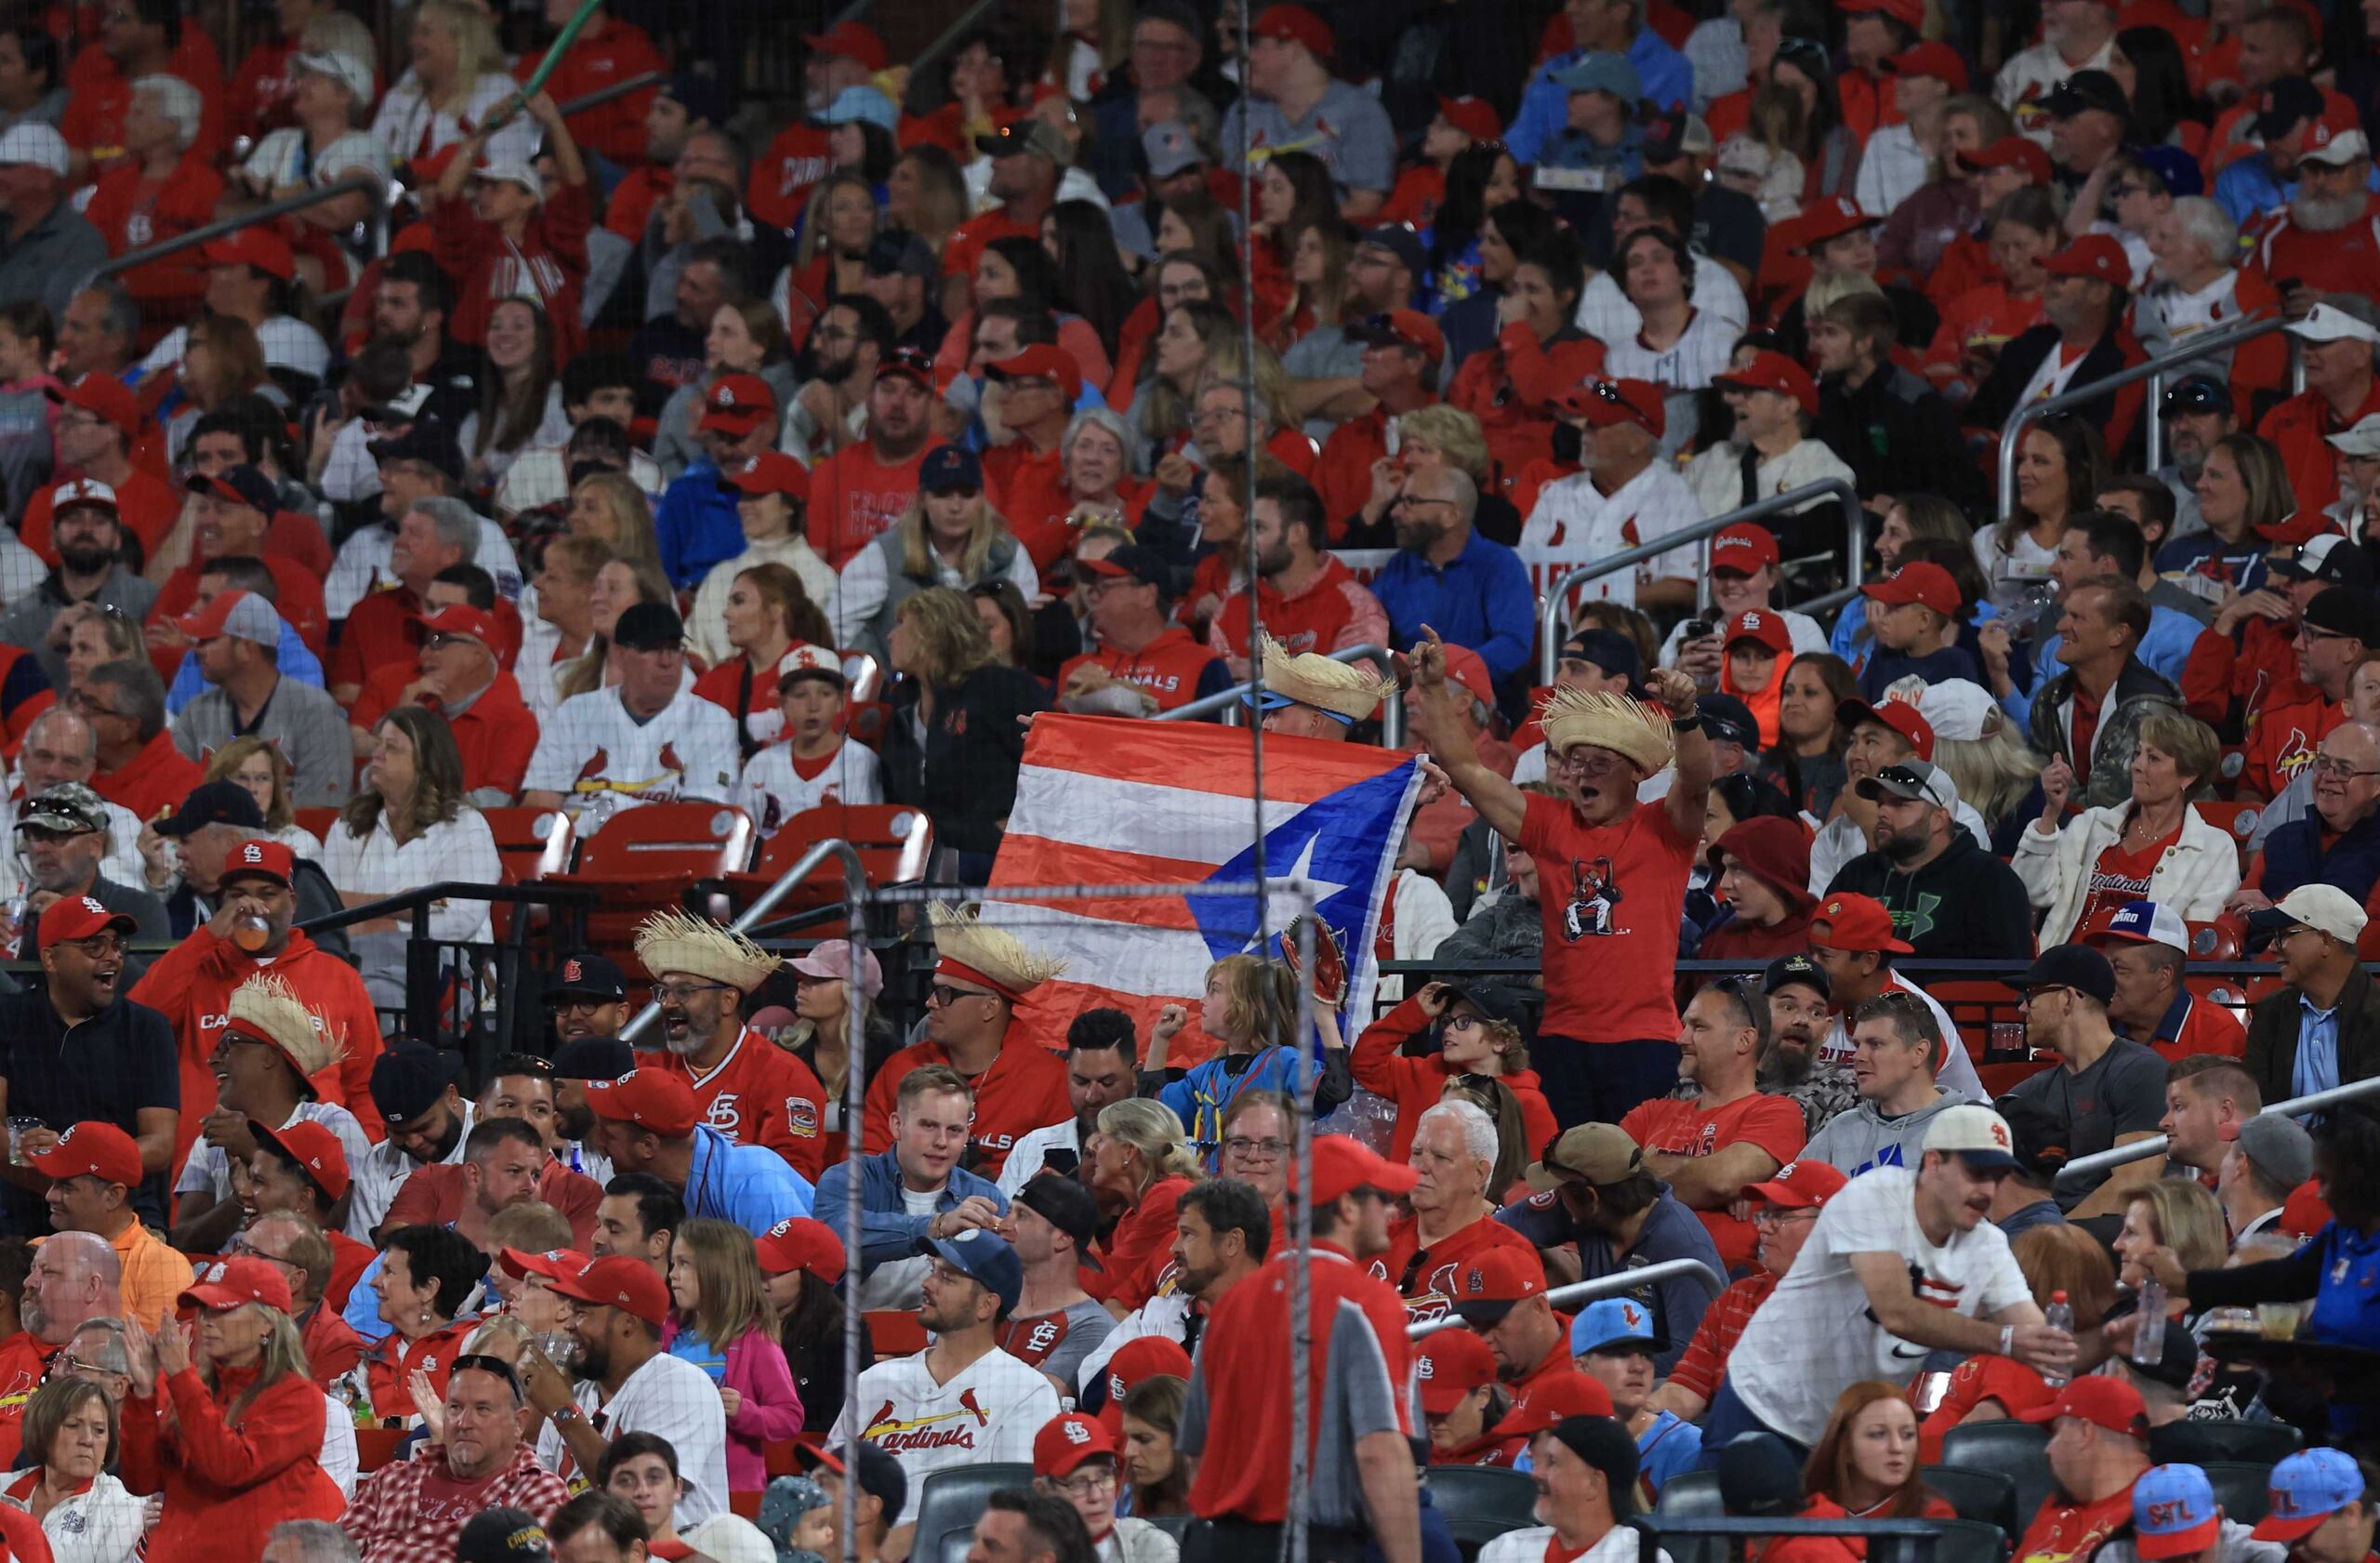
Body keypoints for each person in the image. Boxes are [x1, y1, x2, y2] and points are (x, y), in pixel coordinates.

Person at [1415, 644, 1711, 1127]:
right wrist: (1431, 689)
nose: (1580, 774)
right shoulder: (1549, 822)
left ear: (1636, 772)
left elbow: (1697, 781)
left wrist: (1687, 716)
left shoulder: (1665, 828)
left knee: (1632, 1179)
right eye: (1574, 763)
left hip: (1643, 1041)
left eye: (1599, 764)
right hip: (1562, 1039)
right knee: (1564, 1177)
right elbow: (1465, 771)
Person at [1710, 1105, 2072, 1456]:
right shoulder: (1875, 1196)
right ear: (1933, 1163)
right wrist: (2006, 1340)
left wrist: (2107, 1340)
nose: (1987, 1192)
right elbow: (1896, 1313)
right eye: (1976, 1174)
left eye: (1996, 1178)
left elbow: (2042, 1342)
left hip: (1842, 1430)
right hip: (1762, 1403)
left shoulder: (1987, 1245)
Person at [1178, 1136, 1420, 1563]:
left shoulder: (1231, 1304)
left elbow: (1196, 1450)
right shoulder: (1365, 1301)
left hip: (1215, 1542)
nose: (1393, 1211)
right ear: (1346, 1208)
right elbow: (1379, 1452)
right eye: (1381, 1197)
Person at [126, 841, 379, 1174]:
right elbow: (136, 1024)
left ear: (292, 901)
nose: (253, 906)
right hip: (206, 1171)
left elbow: (364, 1086)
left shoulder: (337, 977)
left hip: (310, 1172)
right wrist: (208, 937)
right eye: (238, 895)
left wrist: (365, 1163)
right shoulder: (197, 968)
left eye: (267, 894)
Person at [836, 1225, 1062, 1544]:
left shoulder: (1025, 1390)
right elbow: (828, 1480)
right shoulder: (875, 1381)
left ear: (987, 1305)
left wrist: (908, 1539)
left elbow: (1014, 1506)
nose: (927, 1284)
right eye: (933, 1270)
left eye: (948, 1277)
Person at [117, 1256, 345, 1563]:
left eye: (224, 1309)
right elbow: (142, 1481)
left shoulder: (298, 1399)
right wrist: (143, 1393)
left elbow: (229, 1468)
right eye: (205, 1309)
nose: (207, 1320)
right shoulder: (196, 1390)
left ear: (267, 1322)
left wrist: (181, 1378)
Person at [0, 891, 177, 1236]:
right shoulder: (7, 1017)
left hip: (124, 1217)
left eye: (116, 944)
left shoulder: (147, 1028)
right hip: (24, 1213)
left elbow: (159, 1144)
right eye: (93, 946)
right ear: (50, 958)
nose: (112, 957)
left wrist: (74, 1166)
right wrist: (17, 1147)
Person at [521, 1252, 728, 1529]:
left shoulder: (681, 1384)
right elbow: (544, 1498)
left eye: (582, 1313)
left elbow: (636, 1499)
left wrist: (563, 1412)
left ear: (628, 1324)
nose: (569, 1323)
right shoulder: (577, 1394)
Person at [860, 904, 1069, 1177]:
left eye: (945, 993)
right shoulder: (900, 1069)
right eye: (933, 990)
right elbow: (864, 1166)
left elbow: (1058, 1183)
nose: (930, 1002)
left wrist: (994, 1187)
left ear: (990, 1007)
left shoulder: (1049, 1081)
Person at [165, 975, 364, 1257]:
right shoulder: (216, 1138)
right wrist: (239, 1199)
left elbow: (331, 1226)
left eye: (228, 1045)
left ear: (270, 1056)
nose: (213, 1060)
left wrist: (253, 1151)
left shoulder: (333, 1124)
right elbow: (181, 1242)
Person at [1621, 981, 1808, 1272]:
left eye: (1698, 1027)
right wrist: (1706, 1190)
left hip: (1721, 1284)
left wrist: (1640, 1170)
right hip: (1633, 1274)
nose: (1681, 1038)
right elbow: (1599, 1179)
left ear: (1744, 1040)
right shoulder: (1652, 1112)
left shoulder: (1776, 1112)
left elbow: (1721, 1179)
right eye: (1684, 1025)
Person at [630, 910, 827, 1180]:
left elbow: (789, 1185)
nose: (667, 1003)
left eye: (685, 991)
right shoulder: (647, 1072)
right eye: (663, 992)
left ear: (728, 1000)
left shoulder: (785, 1077)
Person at [1650, 1158, 1849, 1424]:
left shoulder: (1858, 1306)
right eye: (1765, 1214)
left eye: (1782, 1216)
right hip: (1729, 1444)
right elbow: (1685, 1391)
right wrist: (1626, 1422)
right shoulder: (1736, 1299)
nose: (1764, 1227)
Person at [2016, 711, 2237, 945]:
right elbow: (2031, 891)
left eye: (2153, 759)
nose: (2136, 766)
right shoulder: (2091, 825)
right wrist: (2051, 813)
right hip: (2065, 968)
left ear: (2188, 776)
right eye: (2137, 754)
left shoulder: (2214, 850)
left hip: (2142, 975)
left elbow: (2193, 937)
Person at [520, 602, 741, 820]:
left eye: (674, 648)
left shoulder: (711, 721)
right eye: (651, 648)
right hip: (579, 849)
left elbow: (698, 821)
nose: (666, 661)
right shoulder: (574, 713)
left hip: (663, 851)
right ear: (619, 654)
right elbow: (540, 811)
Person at [338, 1354, 573, 1559]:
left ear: (518, 1423)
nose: (464, 1423)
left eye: (482, 1409)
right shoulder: (392, 1480)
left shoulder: (539, 1493)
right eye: (455, 1408)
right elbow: (332, 1554)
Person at [2003, 945, 2172, 1216]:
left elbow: (2132, 1188)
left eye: (2031, 994)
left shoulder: (2140, 1071)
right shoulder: (2032, 1091)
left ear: (2067, 998)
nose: (2023, 1007)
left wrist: (2051, 1239)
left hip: (2113, 1240)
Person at [819, 1064, 1006, 1308]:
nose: (941, 1142)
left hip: (943, 1337)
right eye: (928, 1126)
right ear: (897, 1125)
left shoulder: (984, 1197)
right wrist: (935, 1226)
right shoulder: (847, 1179)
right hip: (852, 1334)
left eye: (954, 1130)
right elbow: (837, 1239)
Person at [1823, 760, 2033, 958]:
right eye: (1881, 804)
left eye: (1899, 804)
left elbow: (2004, 975)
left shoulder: (1989, 880)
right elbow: (1823, 952)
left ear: (1938, 819)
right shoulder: (1856, 875)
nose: (1883, 813)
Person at [581, 1068, 813, 1235]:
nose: (598, 1142)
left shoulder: (750, 1182)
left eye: (608, 1135)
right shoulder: (662, 1173)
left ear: (648, 1146)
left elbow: (799, 1273)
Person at [1348, 981, 1555, 1163]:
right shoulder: (1425, 1073)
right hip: (1407, 1204)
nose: (1448, 1030)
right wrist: (1413, 1013)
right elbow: (1365, 1063)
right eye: (1447, 1021)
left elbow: (1543, 1178)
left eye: (1465, 1022)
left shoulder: (1527, 1102)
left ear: (1502, 1040)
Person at [1384, 1099, 1541, 1321]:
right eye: (1417, 1153)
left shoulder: (1509, 1255)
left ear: (1480, 1175)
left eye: (1440, 1157)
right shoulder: (1377, 1242)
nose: (1420, 1167)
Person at [28, 1121, 187, 1327]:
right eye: (53, 1183)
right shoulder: (36, 1250)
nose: (50, 1196)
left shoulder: (161, 1267)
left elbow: (143, 1355)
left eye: (66, 1187)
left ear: (113, 1196)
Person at [1802, 993, 1978, 1177]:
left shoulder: (1971, 1127)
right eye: (1858, 1044)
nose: (1858, 1056)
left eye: (1875, 1044)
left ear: (1919, 1052)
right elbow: (1789, 1195)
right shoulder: (1841, 1129)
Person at [2241, 885, 2380, 1104]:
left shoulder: (2375, 1013)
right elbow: (2255, 1104)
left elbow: (2372, 1115)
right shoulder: (2271, 1013)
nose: (2271, 948)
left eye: (2284, 935)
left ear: (2325, 940)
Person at [2011, 1378, 2156, 1563]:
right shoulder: (2059, 1504)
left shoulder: (2159, 1509)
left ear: (2084, 1432)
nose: (2048, 1449)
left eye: (2056, 1432)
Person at [1472, 1412, 1645, 1563]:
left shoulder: (1640, 1557)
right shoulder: (1504, 1550)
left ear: (1593, 1483)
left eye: (1552, 1463)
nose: (1536, 1474)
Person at [7, 1374, 144, 1562]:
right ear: (43, 1431)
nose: (87, 1440)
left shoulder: (122, 1508)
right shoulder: (4, 1488)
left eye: (99, 1430)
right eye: (73, 1426)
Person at [1000, 1011, 1140, 1194]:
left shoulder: (1156, 1154)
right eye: (1080, 1082)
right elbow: (999, 1220)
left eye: (1107, 1083)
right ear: (1067, 1072)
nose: (1092, 1096)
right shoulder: (1032, 1146)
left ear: (1135, 1075)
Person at [999, 1173, 1114, 1390]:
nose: (1004, 1225)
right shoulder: (988, 1303)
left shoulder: (1092, 1326)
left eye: (1022, 1216)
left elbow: (1042, 1403)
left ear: (1062, 1238)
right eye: (1008, 1212)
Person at [1032, 1411, 1177, 1563]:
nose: (1096, 1496)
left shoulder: (1148, 1548)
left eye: (1105, 1476)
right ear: (1043, 1490)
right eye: (1078, 1483)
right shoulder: (1020, 1552)